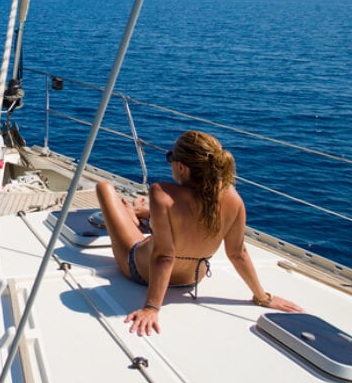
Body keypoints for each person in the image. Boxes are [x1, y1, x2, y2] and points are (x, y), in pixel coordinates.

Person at [96, 130, 302, 336]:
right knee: (165, 225)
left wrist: (152, 307)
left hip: (142, 271)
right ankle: (140, 214)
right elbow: (238, 254)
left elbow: (165, 256)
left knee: (104, 188)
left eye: (171, 158)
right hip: (192, 279)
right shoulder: (233, 198)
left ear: (182, 167)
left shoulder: (162, 193)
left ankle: (132, 213)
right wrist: (262, 297)